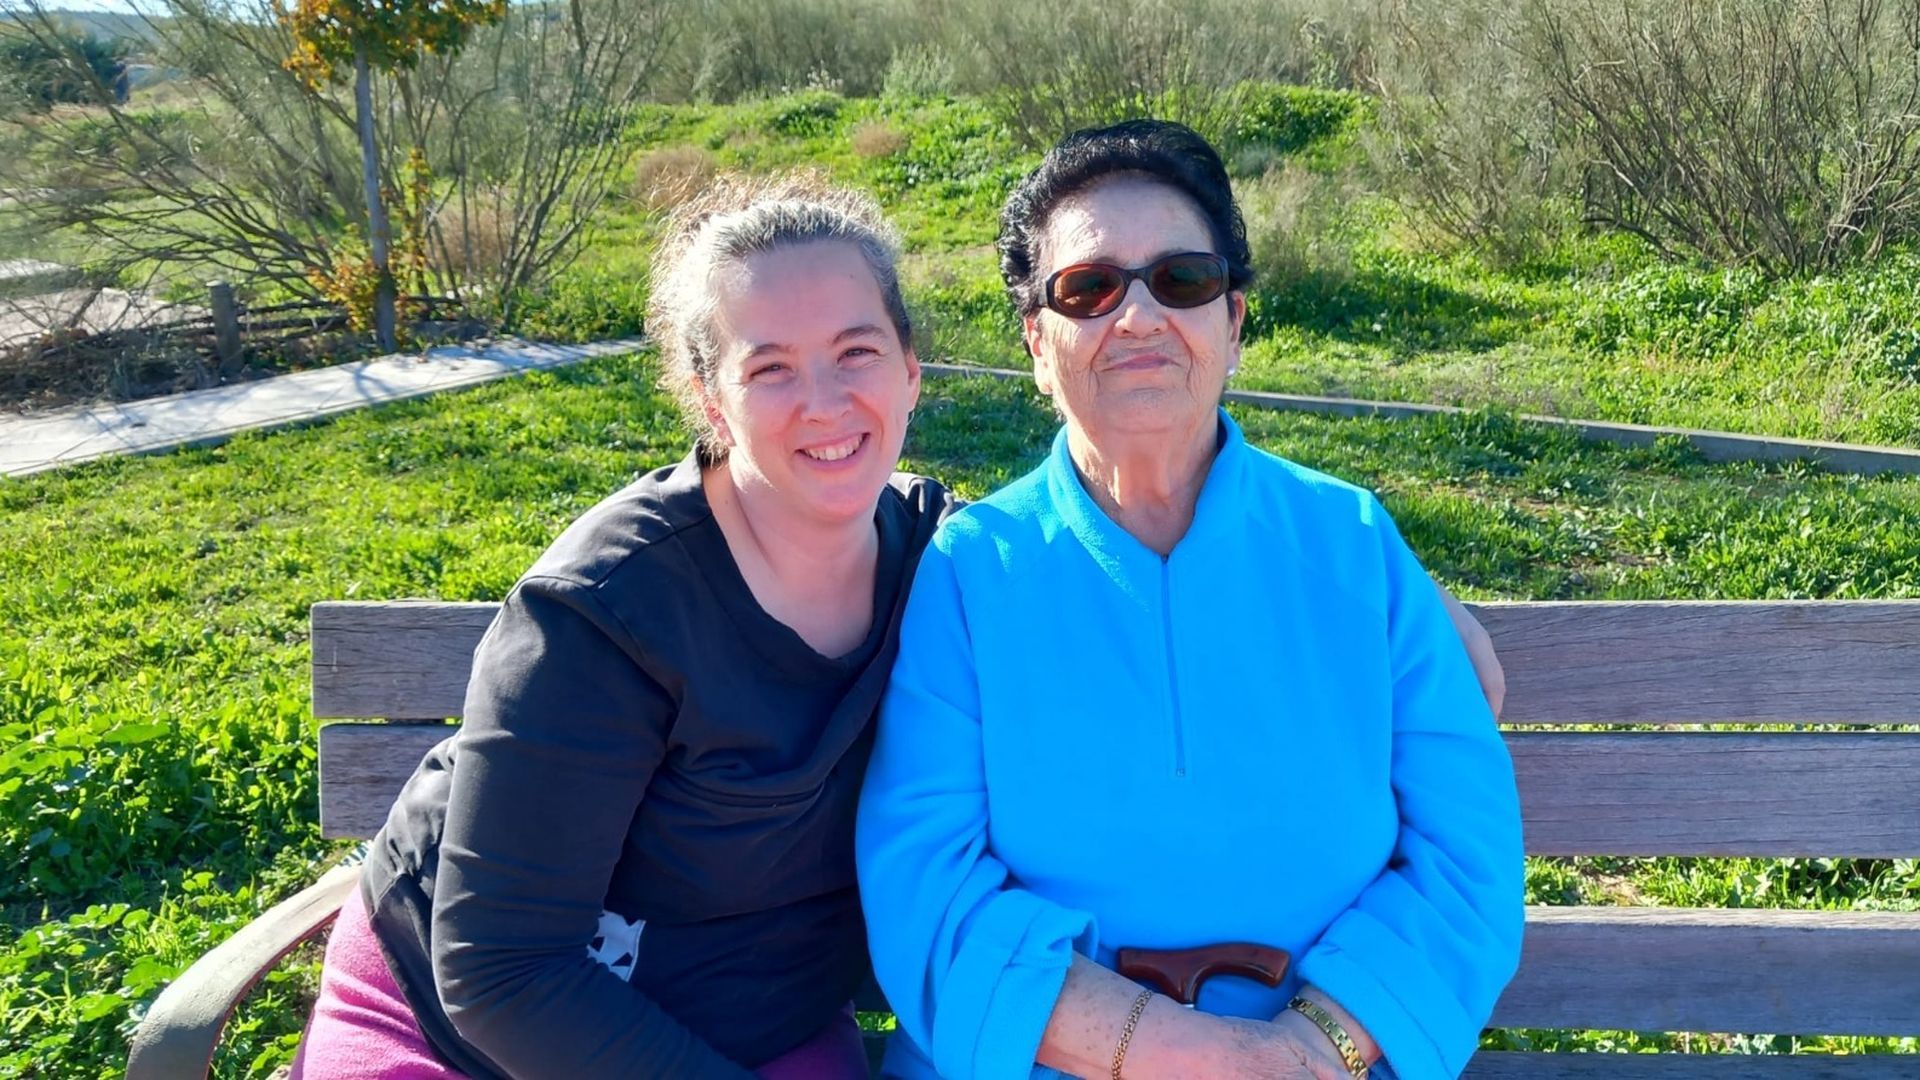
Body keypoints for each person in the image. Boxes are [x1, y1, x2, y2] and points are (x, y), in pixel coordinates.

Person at [287, 171, 1508, 1079]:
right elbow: (501, 964)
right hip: (471, 1024)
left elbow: (1134, 563)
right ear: (705, 395)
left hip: (753, 1031)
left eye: (857, 352)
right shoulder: (607, 611)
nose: (826, 402)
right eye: (771, 368)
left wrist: (1400, 605)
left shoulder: (942, 552)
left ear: (914, 373)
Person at [854, 121, 1525, 1080]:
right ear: (1039, 345)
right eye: (1089, 289)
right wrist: (1191, 1056)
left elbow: (1467, 862)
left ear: (1233, 322)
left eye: (1182, 281)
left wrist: (1304, 1052)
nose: (1137, 317)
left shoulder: (1353, 544)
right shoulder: (970, 571)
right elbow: (930, 891)